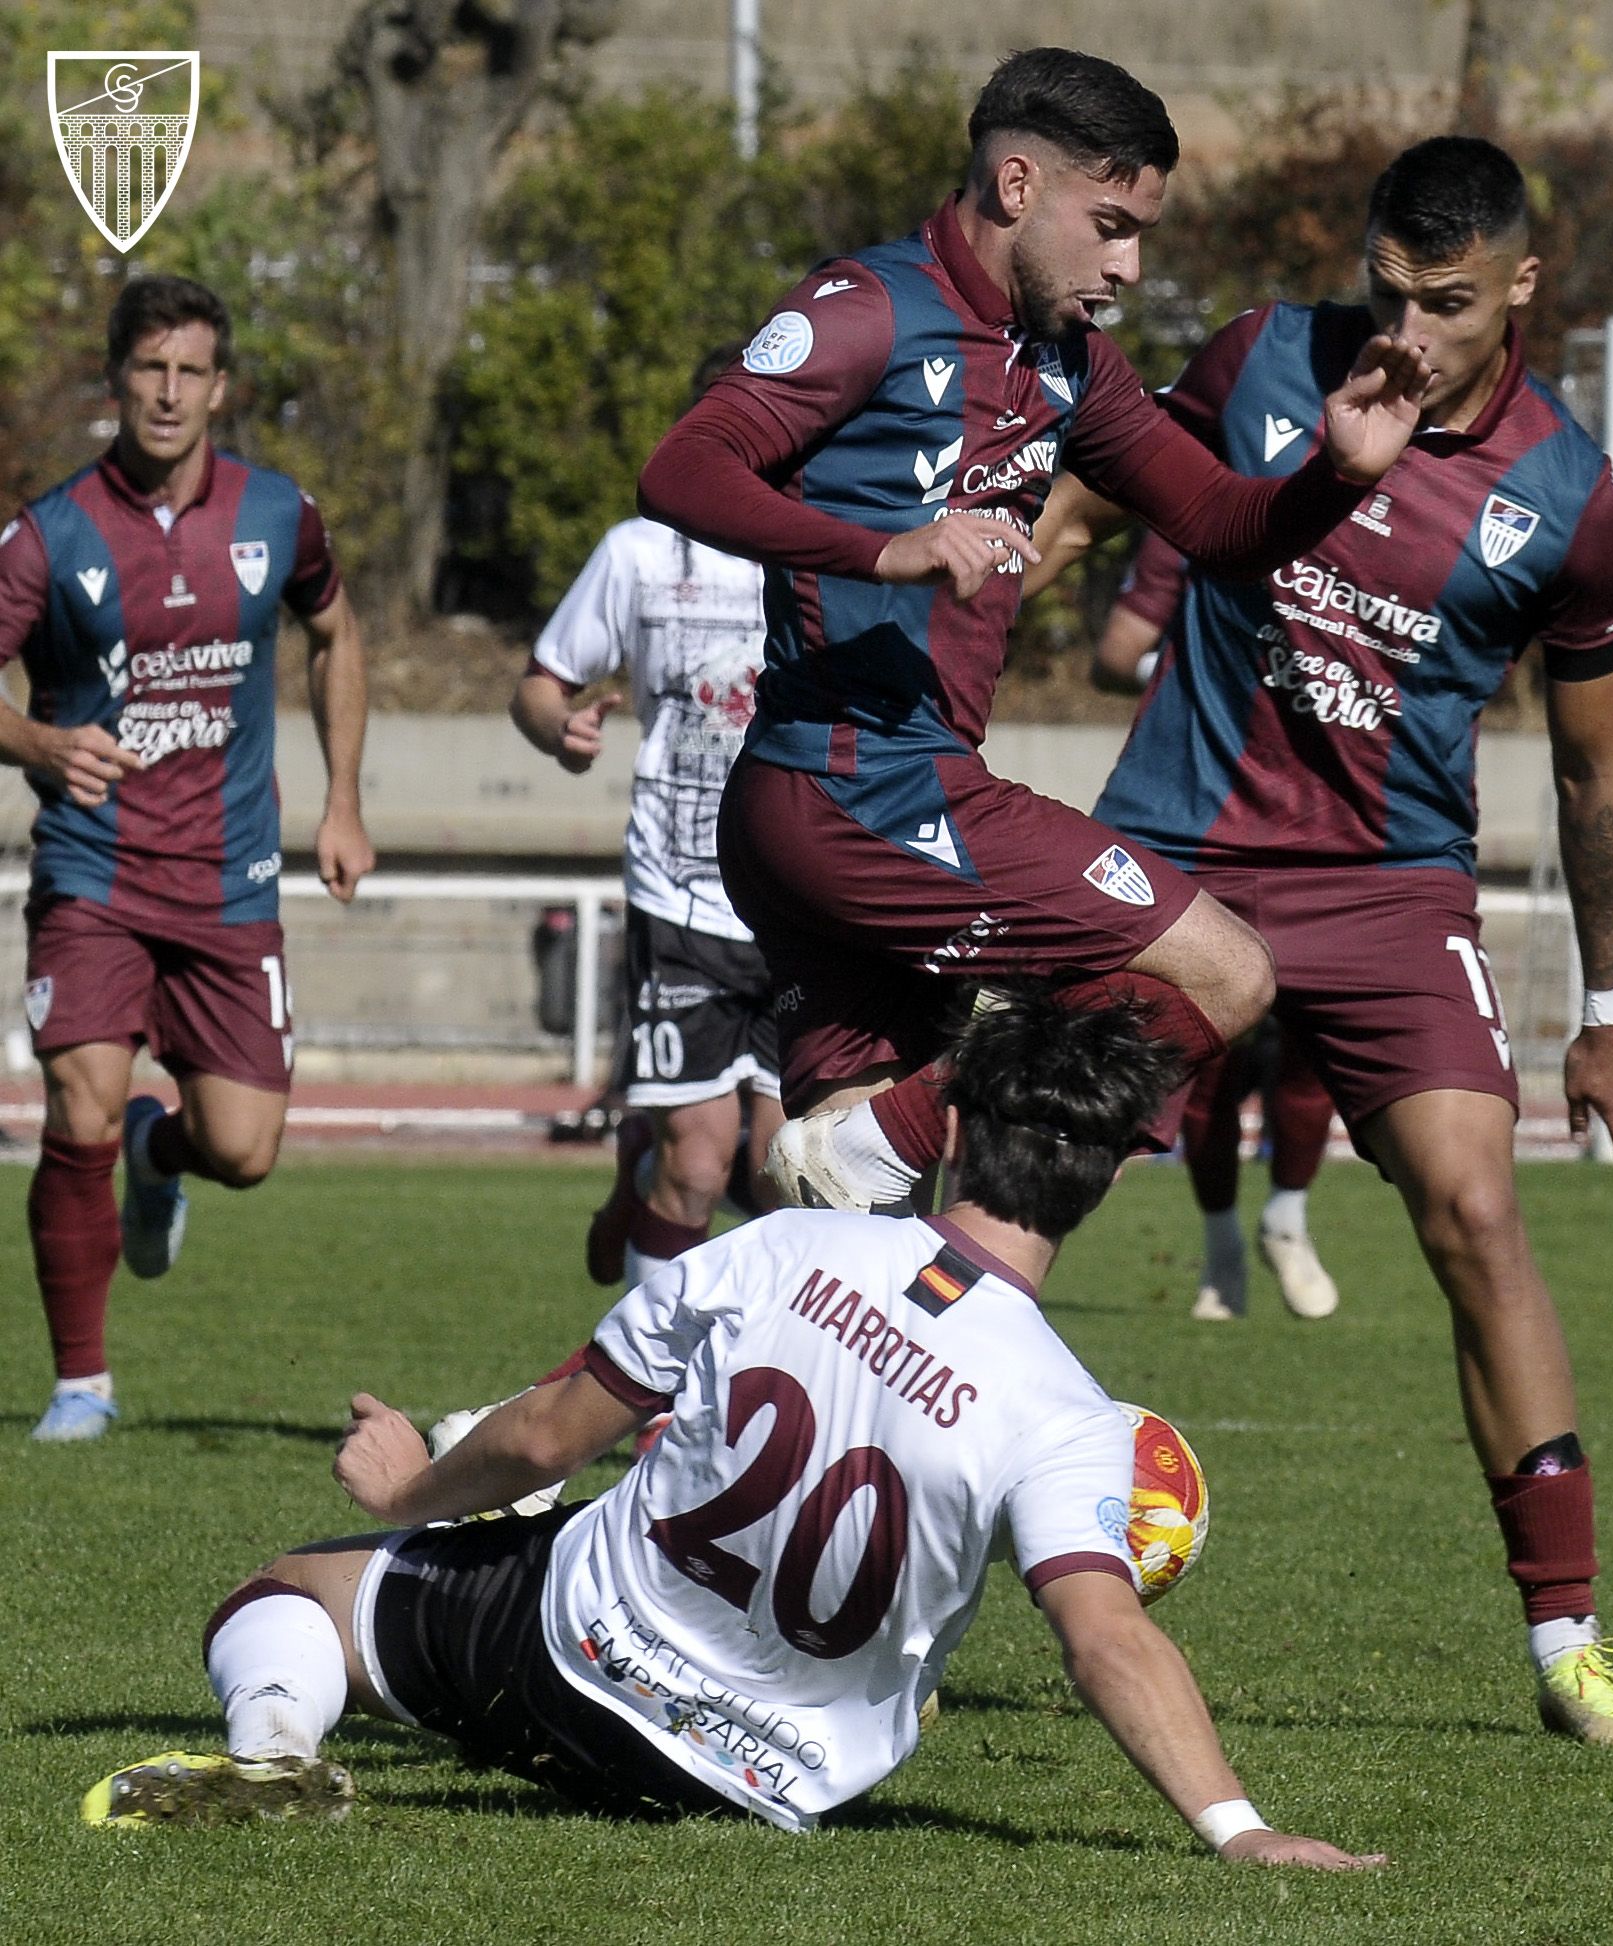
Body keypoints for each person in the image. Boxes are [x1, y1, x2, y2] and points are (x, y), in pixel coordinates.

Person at [81, 984, 1384, 1872]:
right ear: (1105, 1175)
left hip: (569, 1656)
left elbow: (544, 1439)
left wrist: (410, 1485)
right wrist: (1237, 1824)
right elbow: (1107, 1638)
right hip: (771, 1779)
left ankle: (268, 1756)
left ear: (964, 1126)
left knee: (292, 1592)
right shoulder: (1071, 1413)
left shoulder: (787, 1246)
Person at [1027, 136, 1613, 1747]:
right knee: (1028, 1190)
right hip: (1181, 857)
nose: (1408, 326)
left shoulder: (1573, 503)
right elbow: (1104, 492)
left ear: (1521, 285)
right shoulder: (1258, 357)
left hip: (1391, 888)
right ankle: (815, 1514)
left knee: (1475, 1211)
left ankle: (1570, 1645)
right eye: (1388, 287)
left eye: (1447, 303)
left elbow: (1596, 767)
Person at [637, 46, 1431, 1215]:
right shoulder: (868, 309)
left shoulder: (1071, 366)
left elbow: (1217, 520)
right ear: (1017, 187)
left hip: (862, 802)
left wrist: (1337, 476)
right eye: (1110, 224)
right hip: (857, 789)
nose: (1130, 264)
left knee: (856, 1250)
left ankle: (552, 1409)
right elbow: (681, 466)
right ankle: (896, 1134)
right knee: (1224, 969)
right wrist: (885, 548)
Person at [0, 275, 374, 1444]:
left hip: (230, 880)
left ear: (220, 386)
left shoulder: (278, 515)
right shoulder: (49, 533)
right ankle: (83, 1381)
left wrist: (345, 802)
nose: (168, 393)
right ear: (115, 382)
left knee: (244, 1149)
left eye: (189, 372)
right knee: (80, 1097)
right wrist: (38, 740)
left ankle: (164, 1155)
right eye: (148, 370)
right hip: (93, 869)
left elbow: (336, 629)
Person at [512, 341, 783, 1291]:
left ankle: (635, 1177)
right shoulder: (641, 552)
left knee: (782, 1177)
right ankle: (649, 1406)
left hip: (795, 896)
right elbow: (542, 683)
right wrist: (561, 728)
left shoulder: (829, 547)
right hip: (682, 894)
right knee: (701, 1160)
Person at [1091, 534, 1343, 1323]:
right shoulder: (1202, 510)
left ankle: (1287, 1219)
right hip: (1210, 828)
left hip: (1330, 833)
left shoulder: (1389, 514)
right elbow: (1116, 653)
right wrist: (1193, 678)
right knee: (1206, 1058)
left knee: (1310, 1058)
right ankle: (1222, 1243)